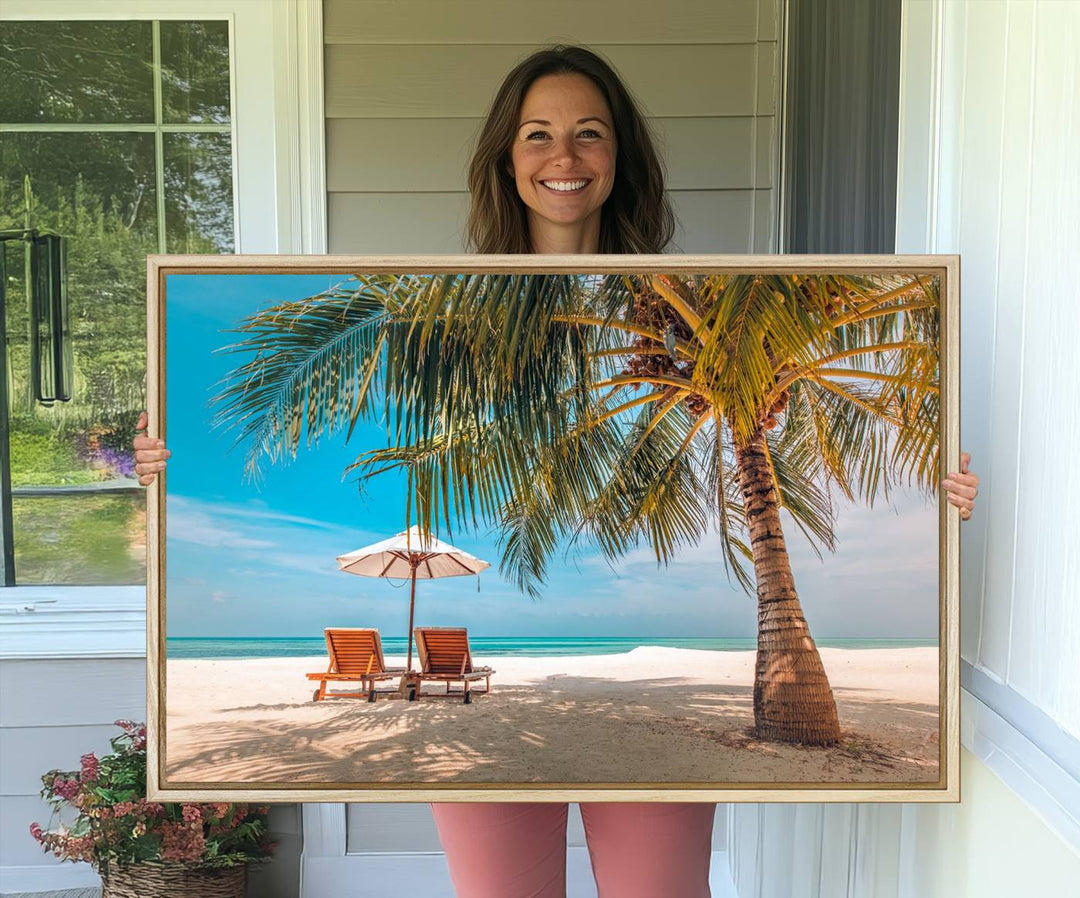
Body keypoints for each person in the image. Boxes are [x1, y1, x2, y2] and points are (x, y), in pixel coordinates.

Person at [134, 45, 980, 898]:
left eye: (589, 134)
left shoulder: (698, 303)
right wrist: (161, 470)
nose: (564, 157)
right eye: (538, 134)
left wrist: (936, 493)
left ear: (620, 158)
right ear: (507, 157)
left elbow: (760, 410)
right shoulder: (444, 314)